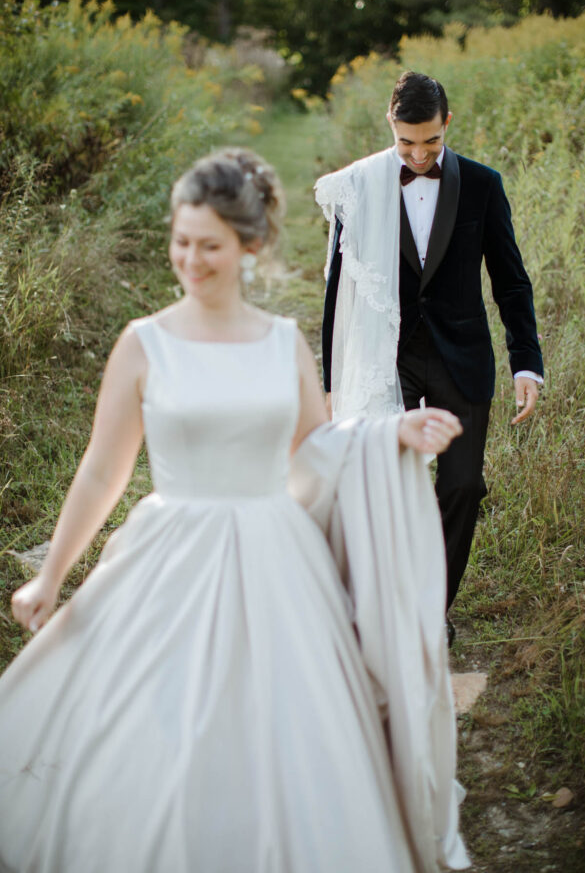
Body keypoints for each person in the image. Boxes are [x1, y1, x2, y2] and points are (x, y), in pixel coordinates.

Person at [1, 148, 470, 872]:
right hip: (167, 558)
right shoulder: (142, 343)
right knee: (152, 731)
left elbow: (316, 449)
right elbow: (102, 469)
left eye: (210, 245)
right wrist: (51, 575)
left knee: (285, 733)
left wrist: (390, 434)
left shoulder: (283, 344)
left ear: (249, 245)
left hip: (274, 558)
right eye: (181, 241)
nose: (191, 259)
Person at [318, 71, 544, 639]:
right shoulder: (361, 186)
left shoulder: (485, 186)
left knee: (462, 484)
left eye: (431, 143)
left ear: (448, 123)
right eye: (407, 143)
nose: (419, 155)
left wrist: (525, 362)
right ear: (390, 126)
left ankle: (430, 605)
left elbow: (511, 283)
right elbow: (336, 288)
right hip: (385, 354)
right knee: (382, 483)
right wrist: (330, 376)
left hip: (460, 355)